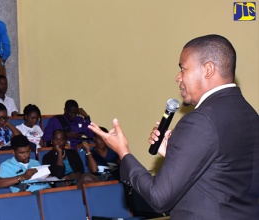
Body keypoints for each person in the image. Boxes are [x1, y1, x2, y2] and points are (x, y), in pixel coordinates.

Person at [88, 35, 259, 219]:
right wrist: (176, 156)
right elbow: (223, 177)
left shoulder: (200, 120)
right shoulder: (250, 115)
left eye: (183, 69)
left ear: (208, 69)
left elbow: (159, 198)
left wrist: (123, 153)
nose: (178, 77)